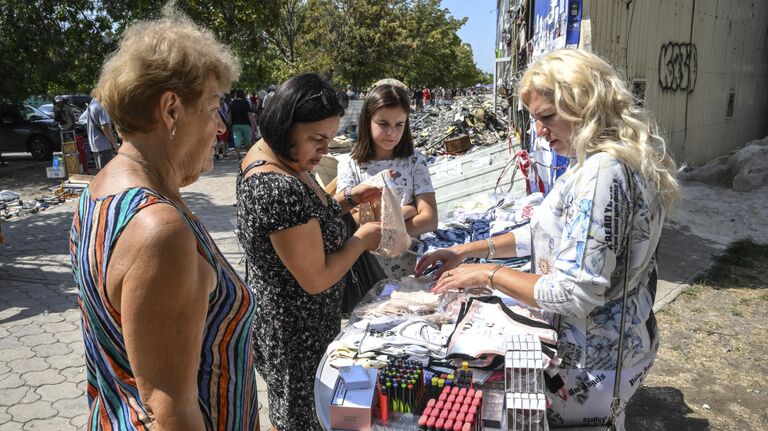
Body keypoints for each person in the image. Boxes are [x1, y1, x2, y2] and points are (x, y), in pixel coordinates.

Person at [415, 49, 680, 430]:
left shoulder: (602, 174)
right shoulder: (597, 162)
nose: (539, 130)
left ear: (583, 106)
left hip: (591, 365)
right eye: (534, 119)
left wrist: (486, 274)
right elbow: (544, 232)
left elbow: (574, 293)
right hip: (616, 347)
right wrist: (465, 251)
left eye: (547, 117)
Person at [69, 7, 259, 430]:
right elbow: (170, 410)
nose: (222, 128)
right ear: (171, 109)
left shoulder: (101, 189)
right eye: (213, 109)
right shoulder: (159, 229)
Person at [236, 72, 382, 430]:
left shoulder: (280, 157)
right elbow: (316, 279)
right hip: (297, 334)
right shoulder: (276, 187)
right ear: (286, 125)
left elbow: (308, 218)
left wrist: (348, 199)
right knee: (302, 420)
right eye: (317, 138)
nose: (325, 149)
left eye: (329, 138)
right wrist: (362, 239)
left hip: (299, 324)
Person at [337, 83, 438, 278]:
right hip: (364, 269)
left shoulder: (415, 161)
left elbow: (430, 218)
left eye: (399, 124)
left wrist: (376, 226)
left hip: (406, 271)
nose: (392, 132)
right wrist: (406, 211)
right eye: (383, 124)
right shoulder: (349, 165)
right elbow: (350, 220)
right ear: (368, 122)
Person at [85, 97, 118, 169]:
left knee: (102, 172)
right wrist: (114, 143)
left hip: (95, 144)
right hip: (104, 145)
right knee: (107, 172)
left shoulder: (92, 104)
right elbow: (105, 126)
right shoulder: (102, 106)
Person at [229, 89, 255, 159]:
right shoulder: (245, 102)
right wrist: (253, 123)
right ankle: (248, 154)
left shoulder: (233, 103)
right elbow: (249, 114)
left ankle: (238, 155)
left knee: (237, 139)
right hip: (245, 124)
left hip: (235, 124)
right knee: (247, 139)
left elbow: (230, 114)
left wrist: (230, 123)